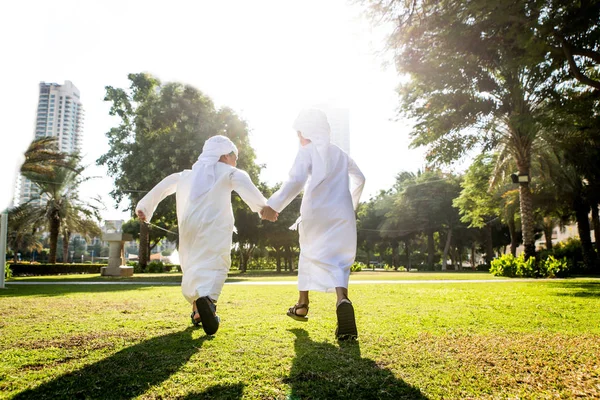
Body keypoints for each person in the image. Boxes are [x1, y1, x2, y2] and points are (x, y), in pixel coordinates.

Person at [136, 135, 276, 335]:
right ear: (226, 156)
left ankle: (198, 312)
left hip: (188, 228)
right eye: (235, 157)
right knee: (217, 263)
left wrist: (144, 207)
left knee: (193, 265)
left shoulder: (185, 175)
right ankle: (208, 301)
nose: (236, 162)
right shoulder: (229, 171)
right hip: (215, 226)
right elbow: (245, 184)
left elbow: (164, 186)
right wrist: (263, 208)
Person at [261, 108, 365, 340]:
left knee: (308, 252)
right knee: (339, 259)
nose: (298, 137)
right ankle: (342, 300)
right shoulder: (341, 154)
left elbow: (296, 180)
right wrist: (353, 206)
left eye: (299, 132)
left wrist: (273, 205)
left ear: (306, 132)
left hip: (315, 211)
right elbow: (360, 178)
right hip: (342, 212)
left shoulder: (306, 151)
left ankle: (302, 304)